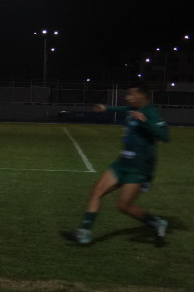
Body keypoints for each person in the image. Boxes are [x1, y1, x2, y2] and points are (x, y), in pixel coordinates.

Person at [61, 82, 170, 247]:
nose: (128, 97)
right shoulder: (133, 109)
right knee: (96, 191)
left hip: (139, 167)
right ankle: (84, 233)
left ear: (143, 96)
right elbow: (123, 109)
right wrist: (106, 108)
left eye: (131, 94)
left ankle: (157, 222)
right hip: (122, 163)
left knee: (123, 206)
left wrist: (146, 122)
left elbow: (165, 136)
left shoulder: (151, 112)